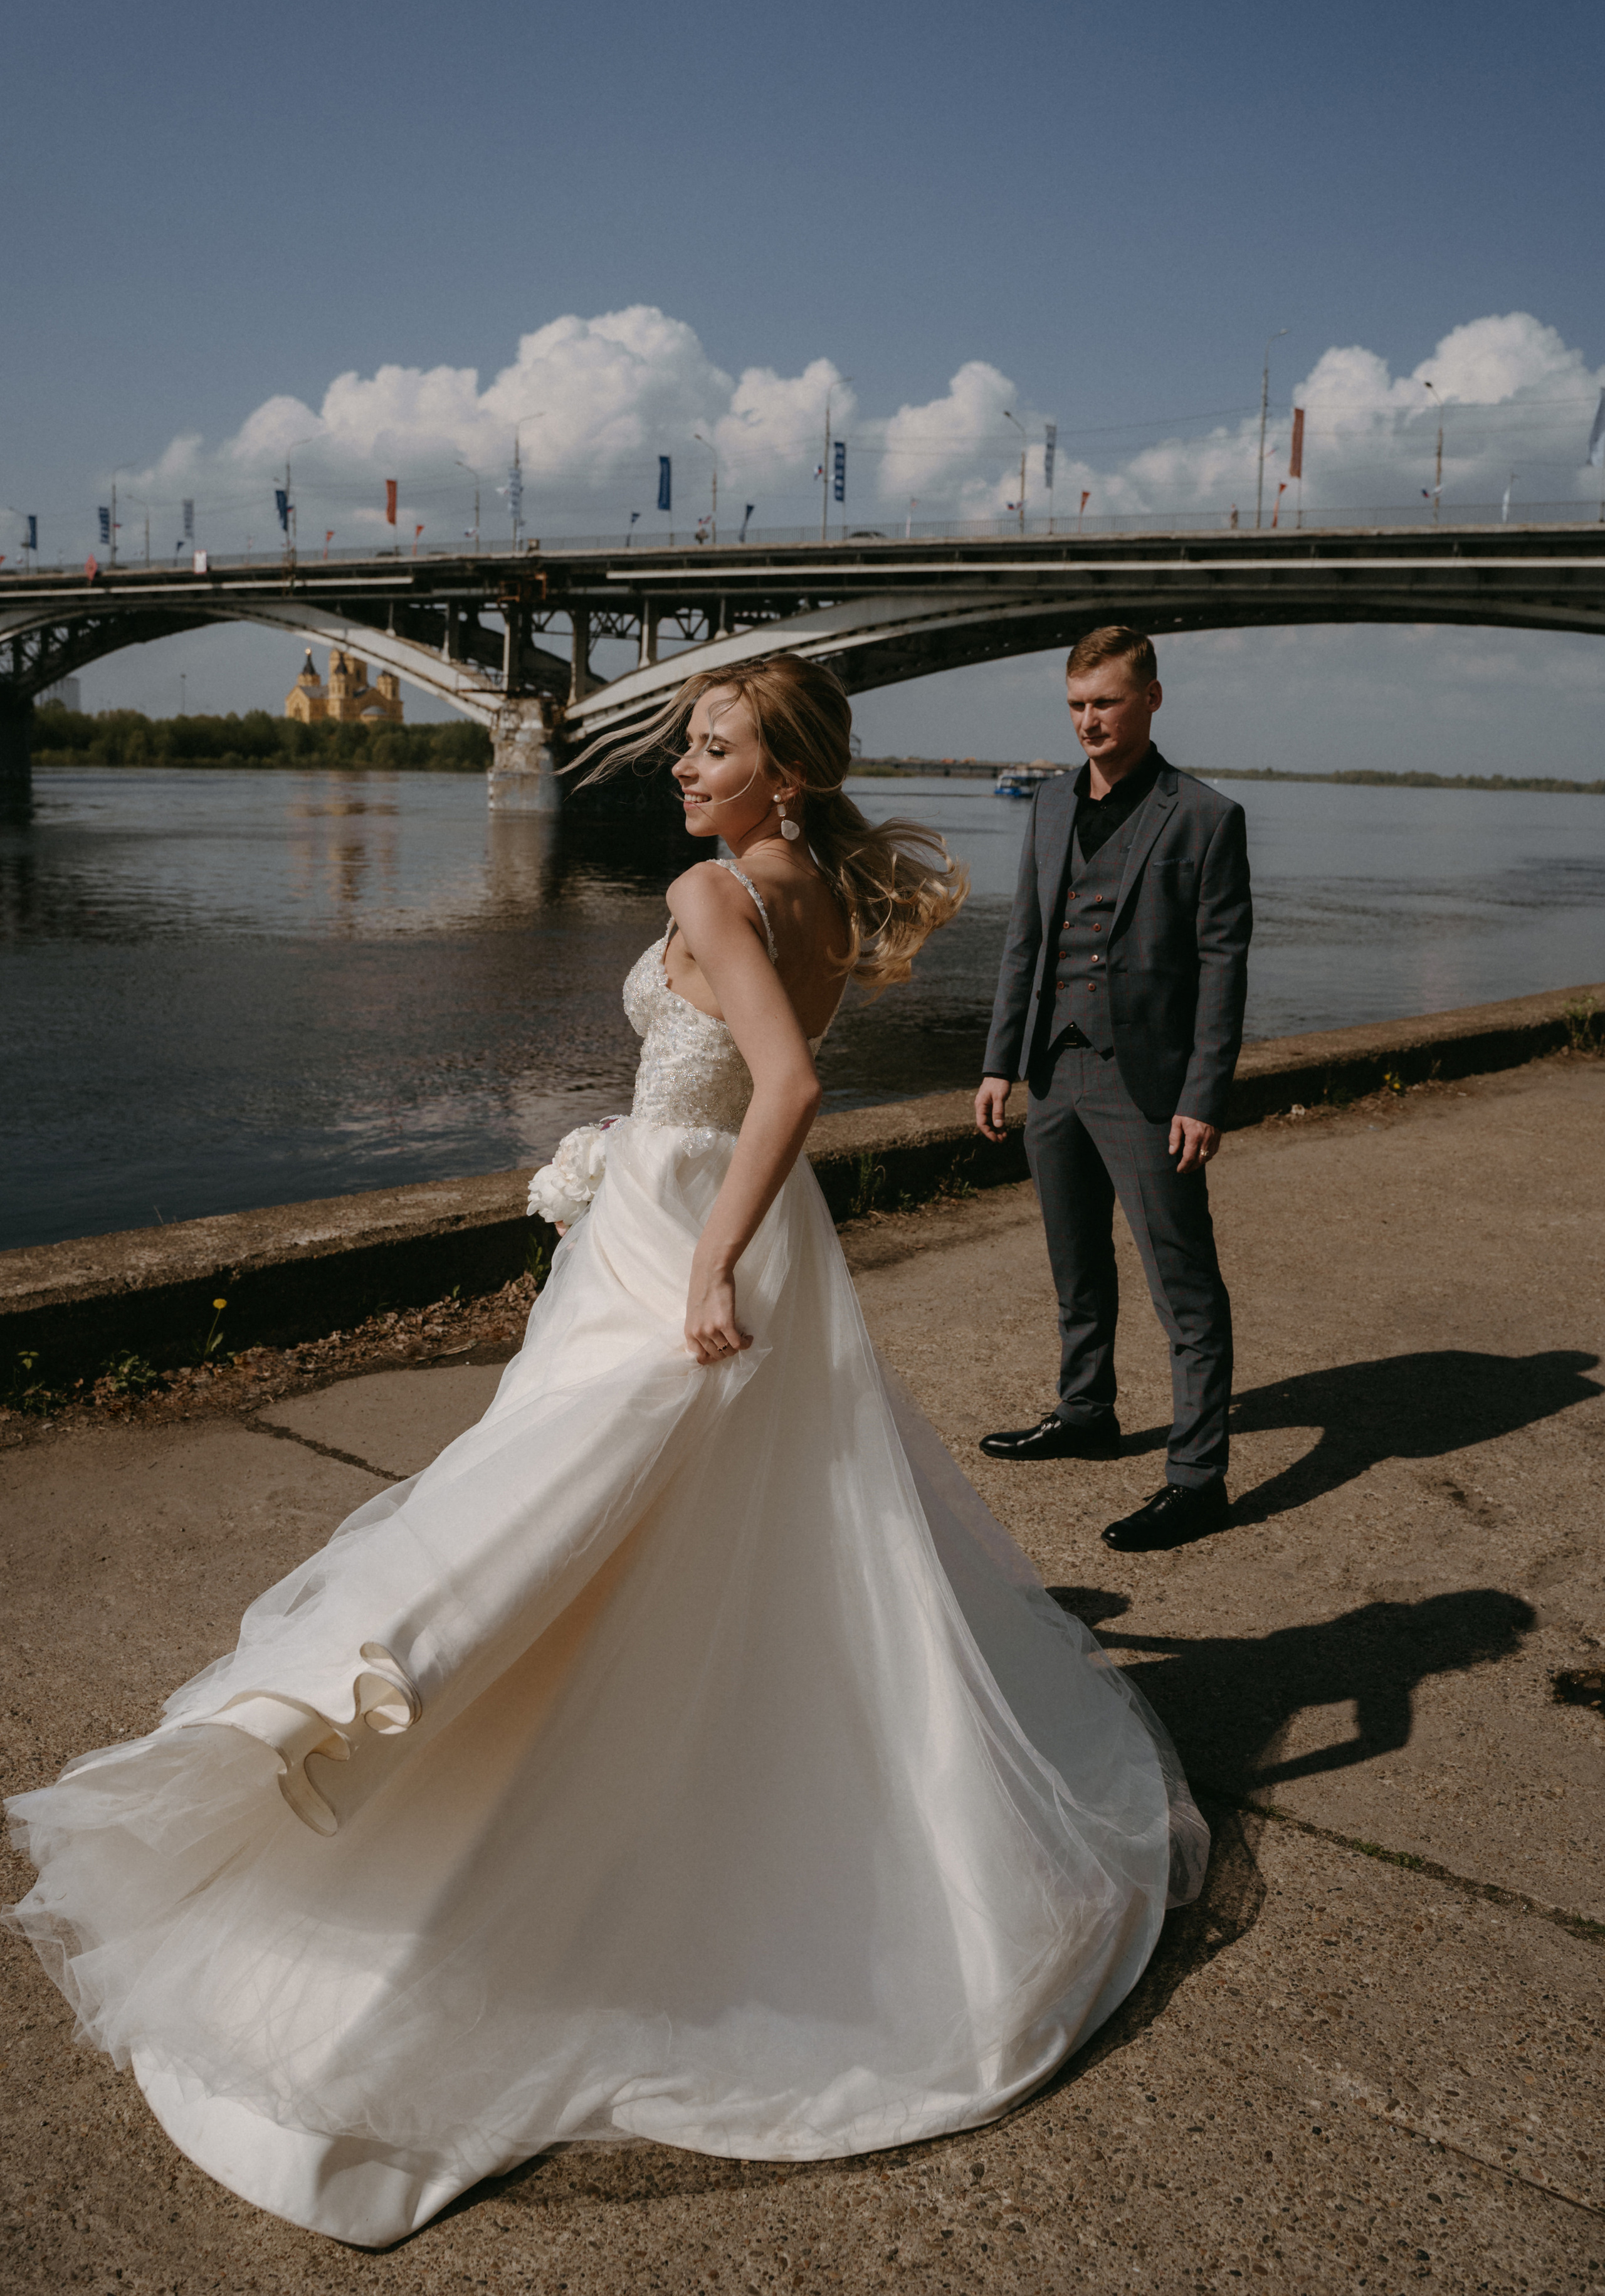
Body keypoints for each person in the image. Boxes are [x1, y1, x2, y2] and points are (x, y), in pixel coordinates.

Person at [5, 653, 1207, 2249]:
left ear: (781, 775)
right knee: (704, 1527)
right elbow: (759, 1080)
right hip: (745, 1230)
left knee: (559, 1507)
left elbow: (781, 1083)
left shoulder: (715, 891)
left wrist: (698, 1252)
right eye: (687, 747)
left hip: (684, 1240)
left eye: (712, 750)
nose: (682, 769)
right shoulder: (822, 893)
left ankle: (481, 1793)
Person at [974, 626, 1252, 1552]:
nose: (1090, 721)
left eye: (1107, 703)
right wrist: (999, 1063)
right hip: (1055, 1069)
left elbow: (1223, 967)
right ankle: (1086, 1411)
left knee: (1184, 1283)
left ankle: (1197, 1475)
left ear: (1151, 701)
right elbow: (1027, 941)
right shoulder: (1051, 805)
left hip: (1148, 1083)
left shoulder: (1205, 818)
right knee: (1076, 1262)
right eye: (1078, 705)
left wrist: (1205, 1094)